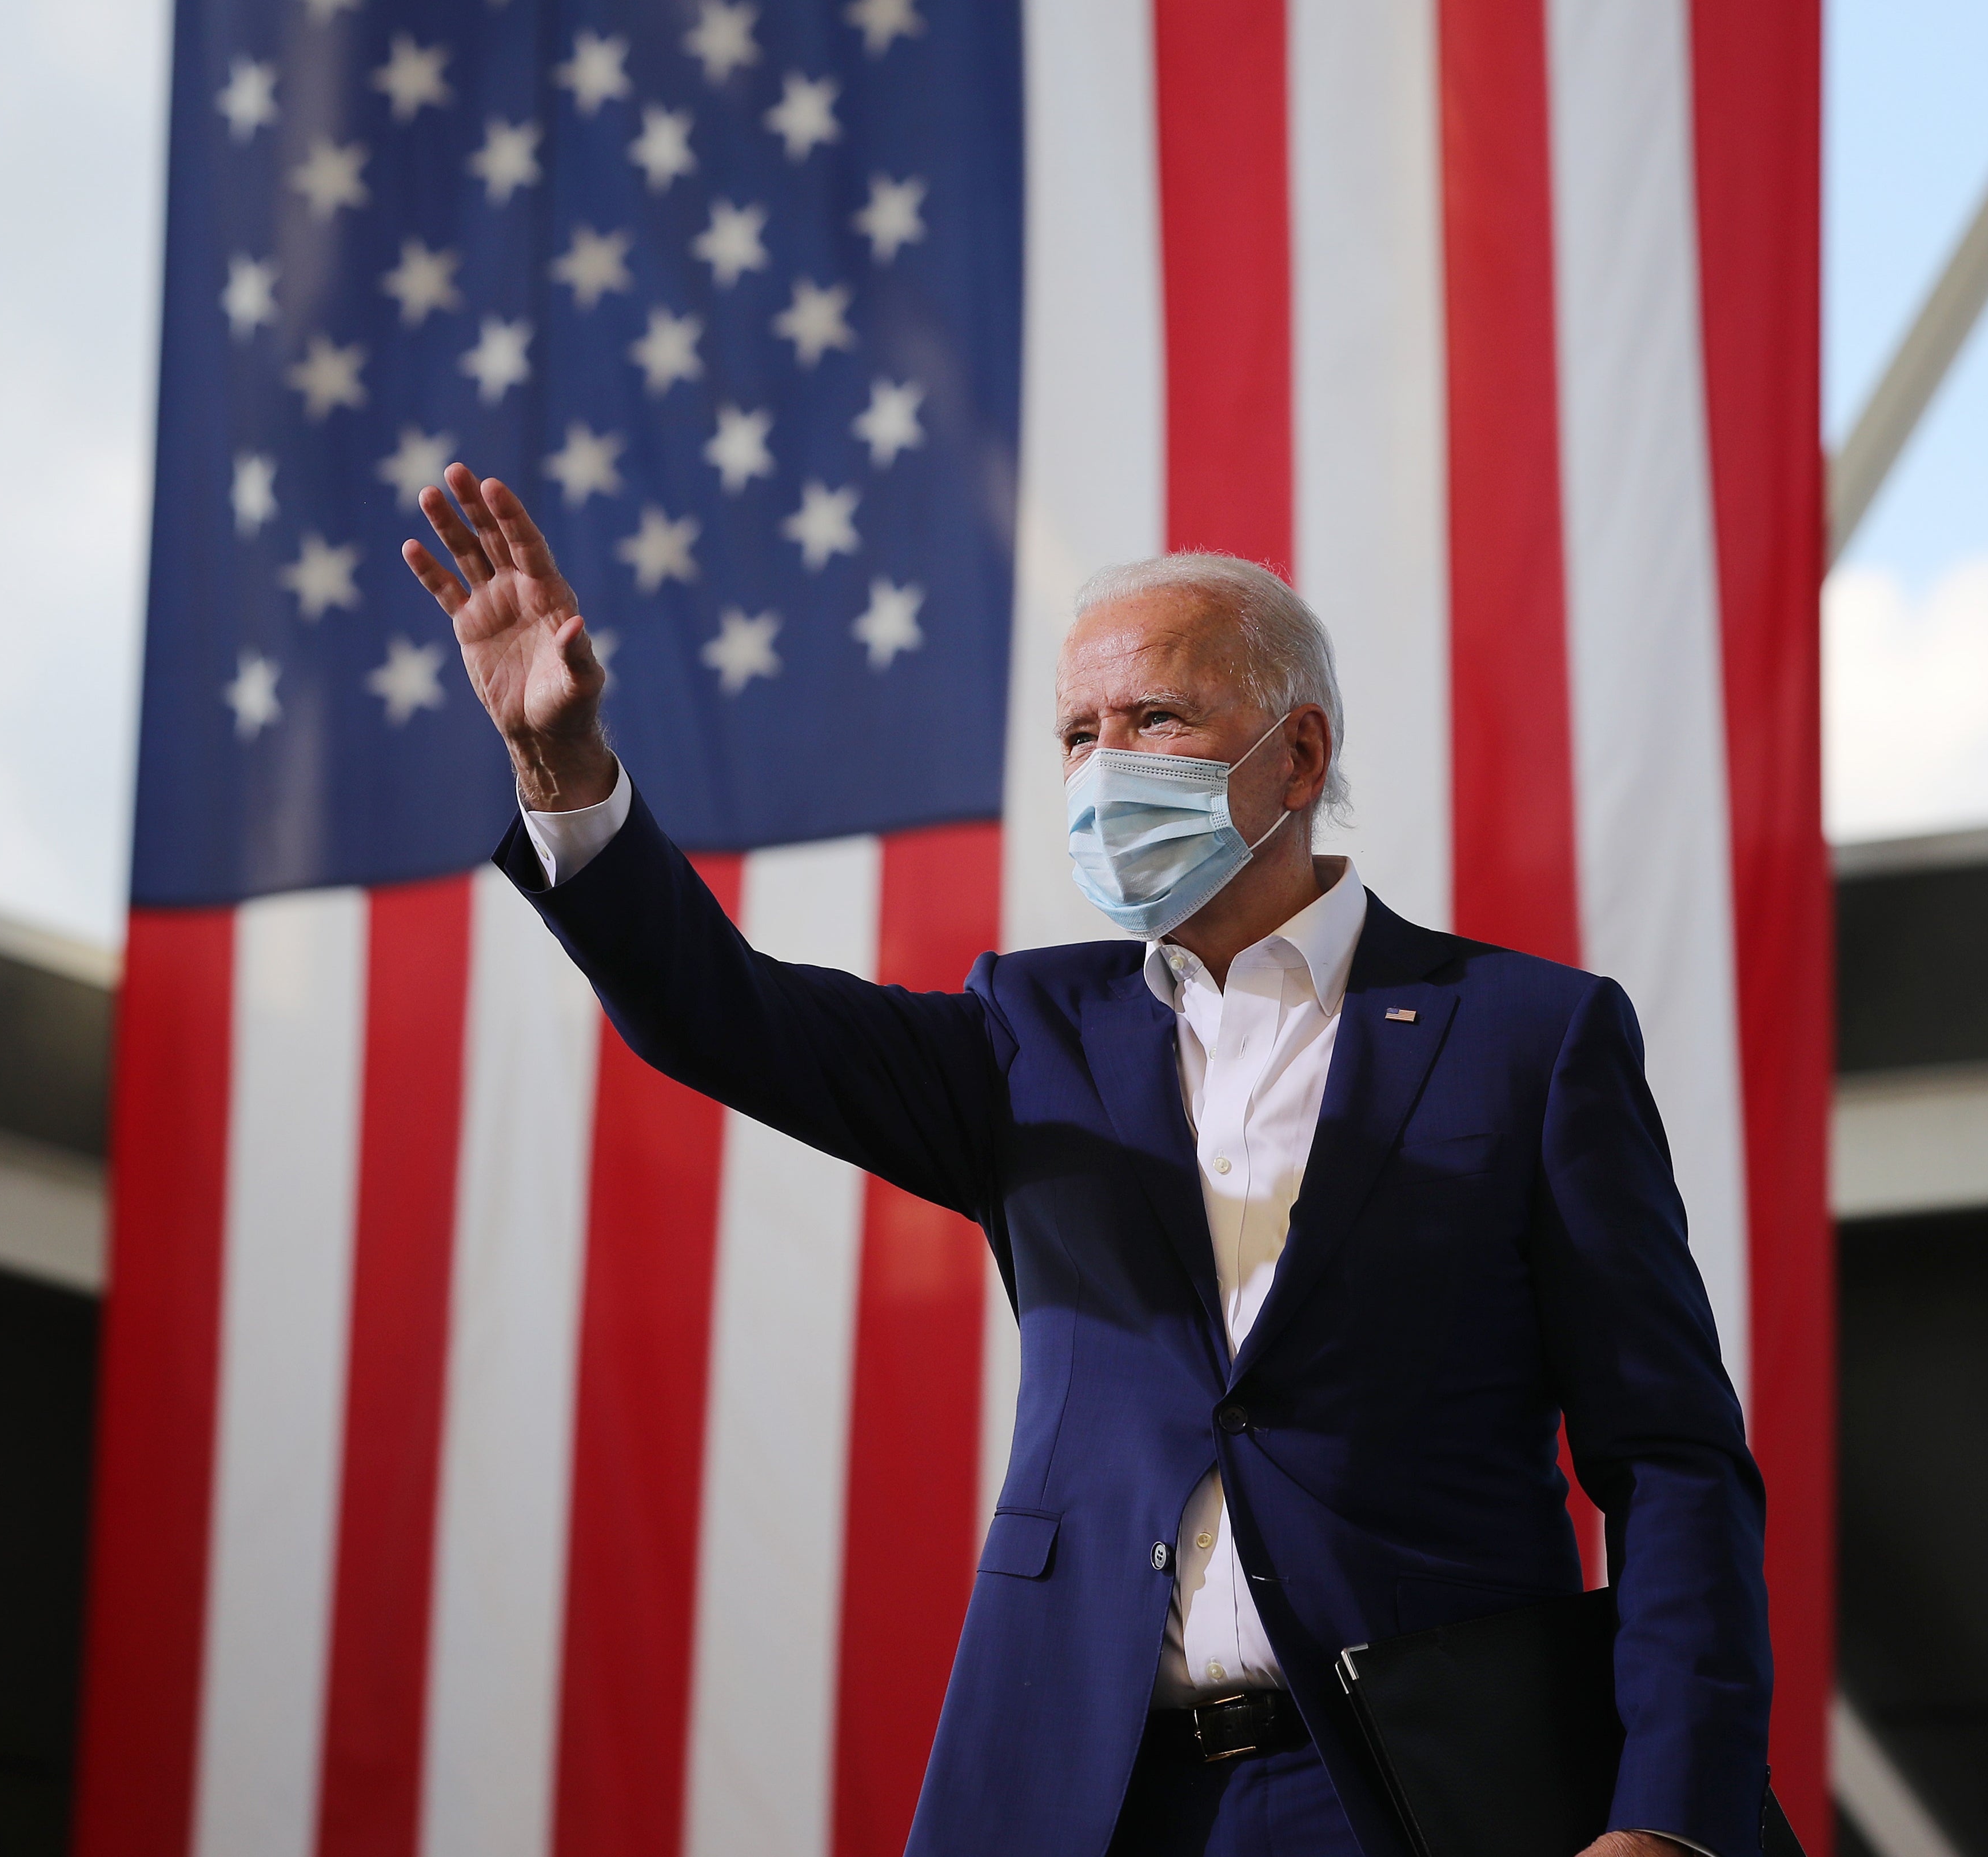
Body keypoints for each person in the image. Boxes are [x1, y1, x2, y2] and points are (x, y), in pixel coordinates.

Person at [402, 466, 1773, 1857]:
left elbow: (1670, 1463)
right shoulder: (1029, 1035)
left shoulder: (1529, 1039)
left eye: (1153, 719)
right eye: (1076, 732)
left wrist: (1669, 1819)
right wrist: (562, 771)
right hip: (1086, 1789)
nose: (1102, 767)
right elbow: (722, 1015)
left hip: (1414, 1788)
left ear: (1296, 758)